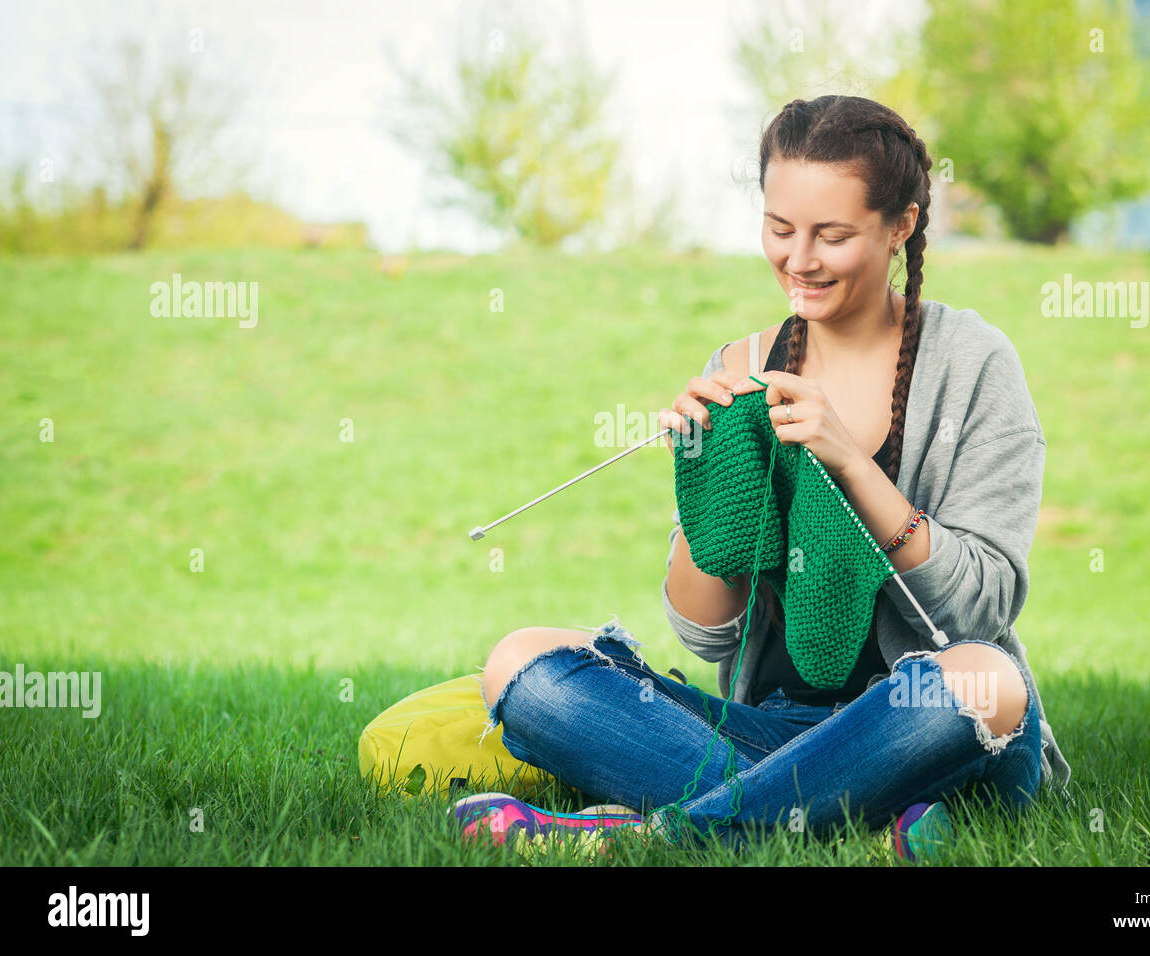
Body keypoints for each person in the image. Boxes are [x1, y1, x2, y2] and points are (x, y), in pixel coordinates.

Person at [453, 95, 1070, 859]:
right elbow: (705, 635)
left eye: (831, 235)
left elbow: (982, 608)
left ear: (901, 225)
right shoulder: (740, 365)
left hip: (930, 720)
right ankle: (857, 817)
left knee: (987, 680)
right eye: (780, 230)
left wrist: (851, 462)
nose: (798, 260)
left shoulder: (974, 363)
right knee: (524, 664)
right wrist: (706, 478)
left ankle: (653, 832)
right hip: (774, 725)